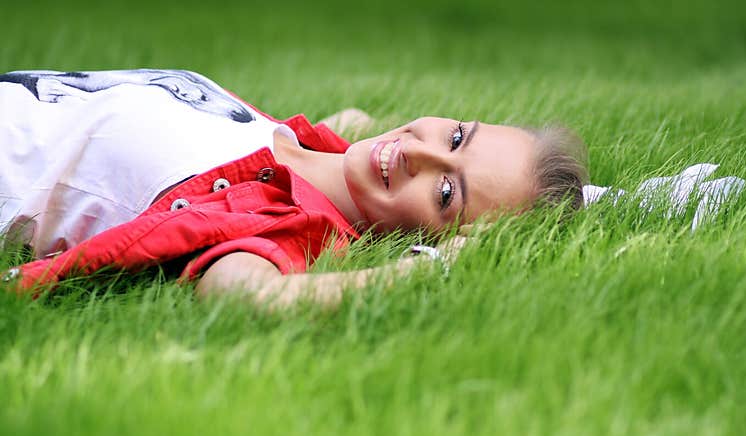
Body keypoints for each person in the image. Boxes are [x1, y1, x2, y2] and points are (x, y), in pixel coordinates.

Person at [0, 69, 586, 309]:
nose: (418, 153)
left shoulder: (291, 225)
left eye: (445, 194)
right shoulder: (299, 145)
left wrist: (411, 273)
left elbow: (243, 293)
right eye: (456, 137)